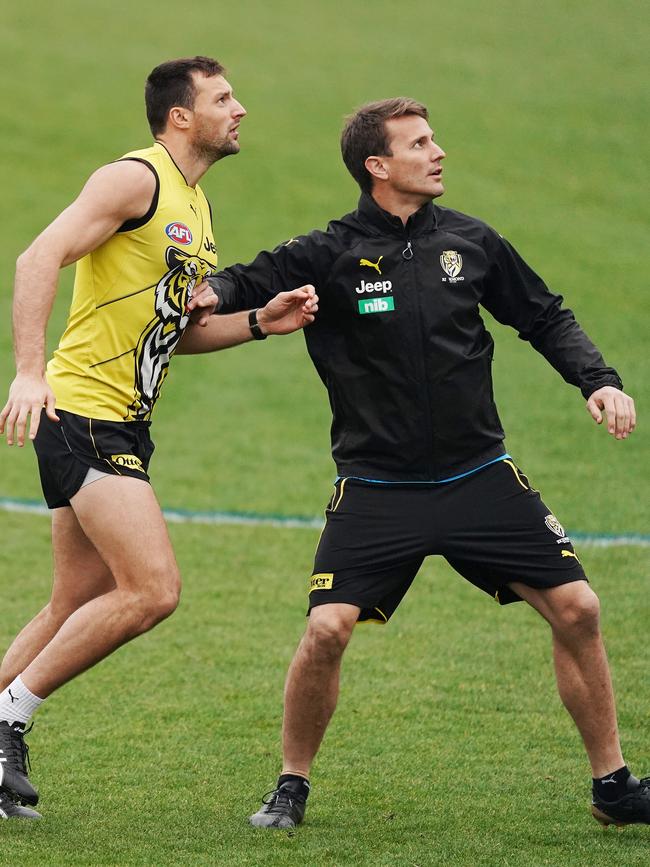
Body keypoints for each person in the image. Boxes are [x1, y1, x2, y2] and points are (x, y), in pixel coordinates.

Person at [182, 97, 645, 830]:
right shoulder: (328, 252)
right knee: (327, 628)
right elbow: (244, 279)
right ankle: (291, 784)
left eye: (435, 140)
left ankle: (613, 783)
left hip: (479, 478)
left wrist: (600, 378)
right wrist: (211, 292)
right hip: (377, 489)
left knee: (579, 608)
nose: (439, 153)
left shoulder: (471, 241)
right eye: (421, 143)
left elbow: (543, 314)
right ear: (378, 165)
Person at [0, 56, 317, 820]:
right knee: (152, 588)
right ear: (181, 115)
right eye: (222, 97)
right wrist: (28, 372)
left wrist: (257, 324)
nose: (239, 108)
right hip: (79, 412)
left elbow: (173, 331)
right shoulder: (134, 180)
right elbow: (37, 255)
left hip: (123, 423)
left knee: (78, 595)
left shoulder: (196, 210)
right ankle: (9, 717)